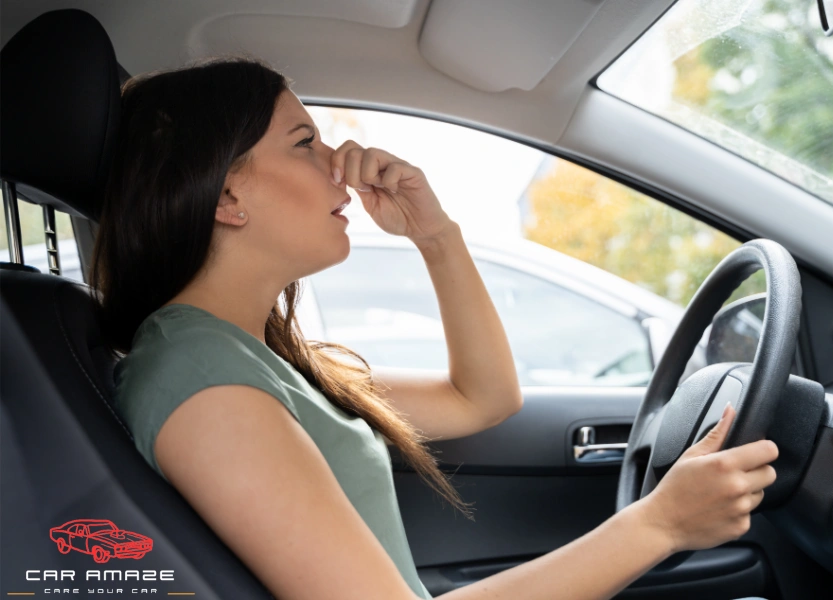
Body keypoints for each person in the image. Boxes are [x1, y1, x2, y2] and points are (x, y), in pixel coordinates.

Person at [94, 56, 779, 600]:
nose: (339, 162)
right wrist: (657, 524)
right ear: (227, 196)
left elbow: (481, 398)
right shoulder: (203, 385)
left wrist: (435, 235)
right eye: (305, 142)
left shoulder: (248, 357)